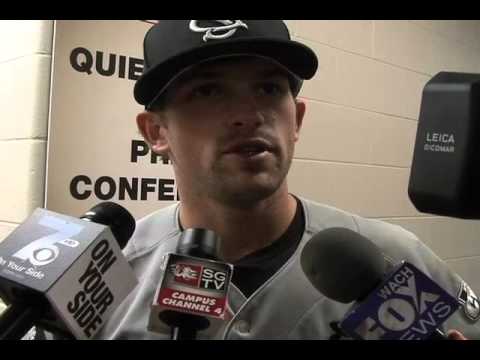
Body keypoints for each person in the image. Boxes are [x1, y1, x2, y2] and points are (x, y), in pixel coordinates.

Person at [97, 20, 477, 340]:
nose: (248, 115)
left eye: (268, 89)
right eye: (207, 90)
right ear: (155, 132)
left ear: (296, 119)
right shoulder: (106, 278)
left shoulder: (393, 258)